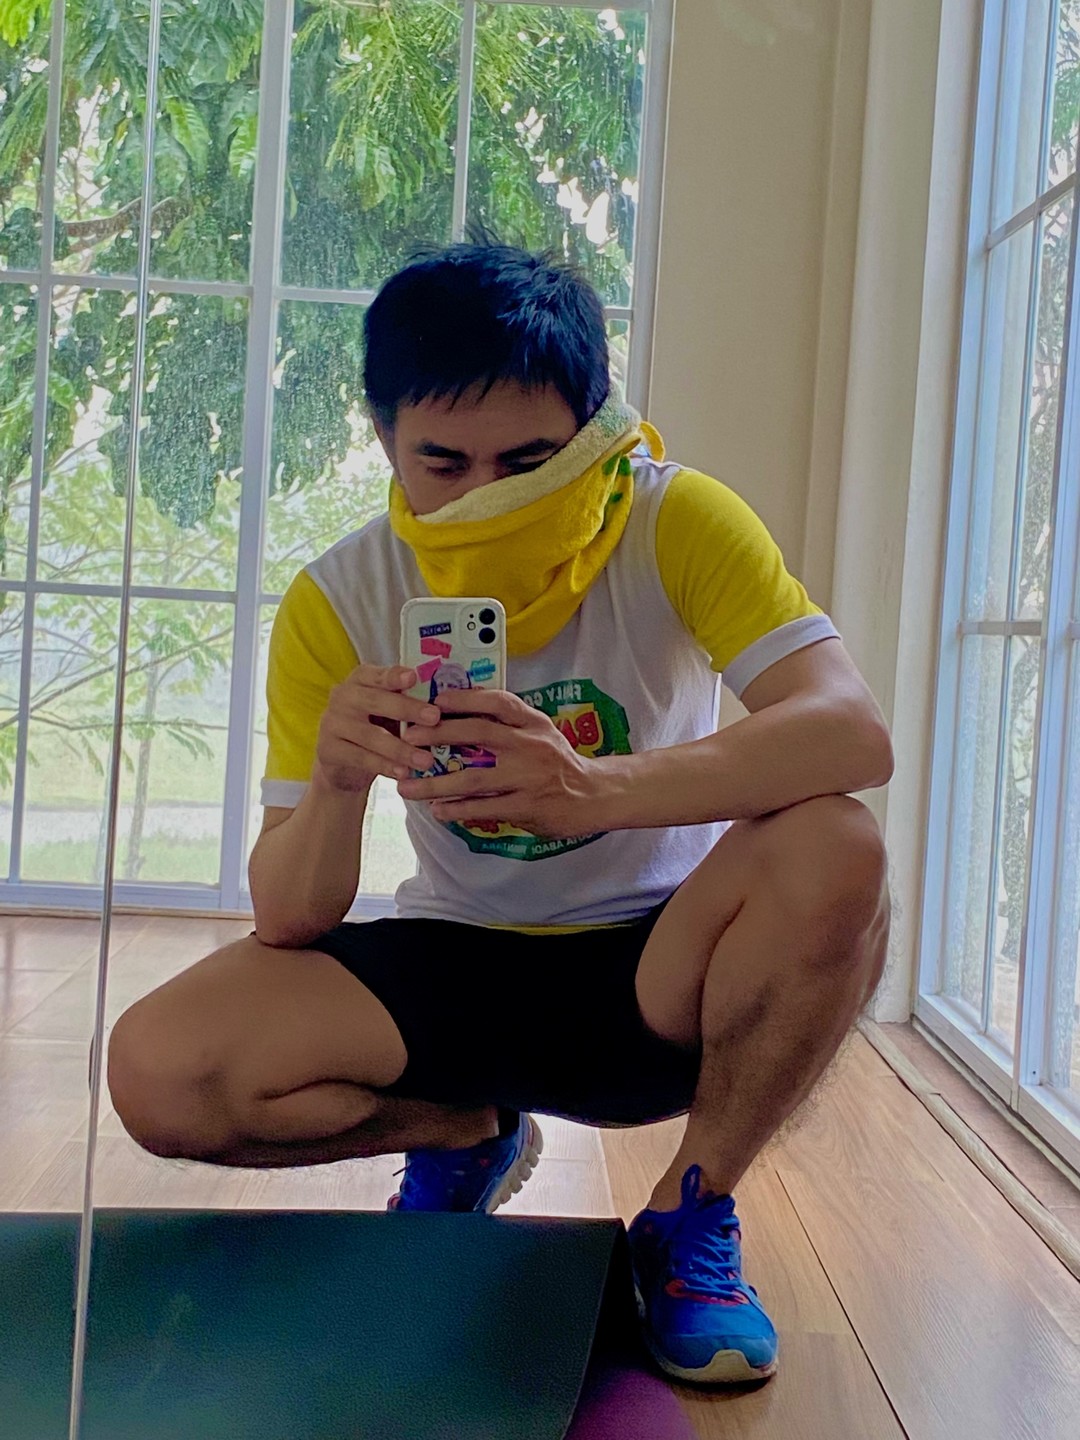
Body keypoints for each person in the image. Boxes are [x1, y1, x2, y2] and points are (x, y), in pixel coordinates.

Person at [107, 240, 892, 1388]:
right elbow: (287, 915)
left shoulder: (677, 520)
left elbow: (851, 734)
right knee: (156, 1070)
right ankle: (465, 1132)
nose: (488, 496)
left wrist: (596, 790)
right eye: (444, 462)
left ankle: (690, 1214)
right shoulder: (341, 596)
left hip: (662, 967)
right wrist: (337, 781)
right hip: (454, 960)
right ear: (385, 440)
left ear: (595, 431)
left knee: (839, 844)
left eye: (530, 462)